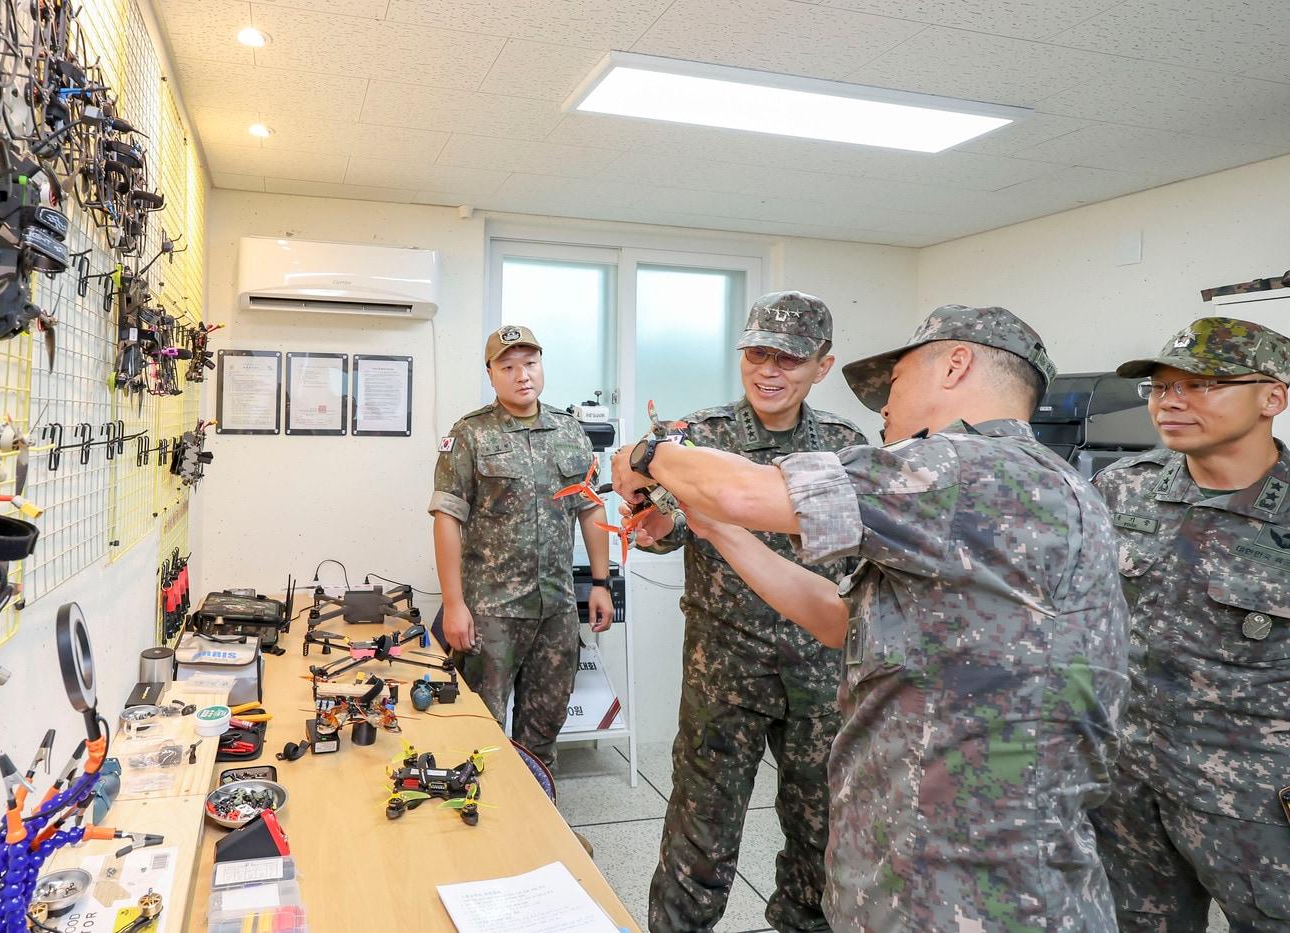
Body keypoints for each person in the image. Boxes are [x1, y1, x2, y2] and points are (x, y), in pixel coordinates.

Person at [612, 304, 1130, 931]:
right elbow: (840, 617)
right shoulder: (1052, 482)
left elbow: (740, 492)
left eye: (896, 384)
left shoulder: (962, 469)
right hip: (938, 838)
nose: (884, 407)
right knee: (703, 825)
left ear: (956, 364)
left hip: (961, 870)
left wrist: (649, 453)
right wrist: (712, 526)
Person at [633, 291, 866, 933]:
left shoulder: (845, 446)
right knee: (699, 832)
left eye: (789, 359)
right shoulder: (699, 437)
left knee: (821, 834)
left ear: (822, 366)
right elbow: (672, 516)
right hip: (724, 676)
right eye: (757, 353)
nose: (769, 371)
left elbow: (856, 543)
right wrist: (657, 523)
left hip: (821, 678)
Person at [1089, 316, 1290, 932]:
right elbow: (1083, 622)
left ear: (1273, 397)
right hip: (1125, 777)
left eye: (1201, 384)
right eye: (1160, 386)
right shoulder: (1123, 488)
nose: (1170, 400)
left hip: (1255, 800)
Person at [429, 325, 615, 770]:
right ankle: (484, 834)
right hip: (491, 613)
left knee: (545, 731)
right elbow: (446, 519)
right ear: (490, 374)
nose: (522, 375)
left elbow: (590, 511)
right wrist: (453, 604)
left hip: (556, 610)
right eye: (508, 366)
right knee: (480, 732)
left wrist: (601, 583)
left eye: (530, 363)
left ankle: (539, 828)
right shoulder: (470, 435)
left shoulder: (570, 432)